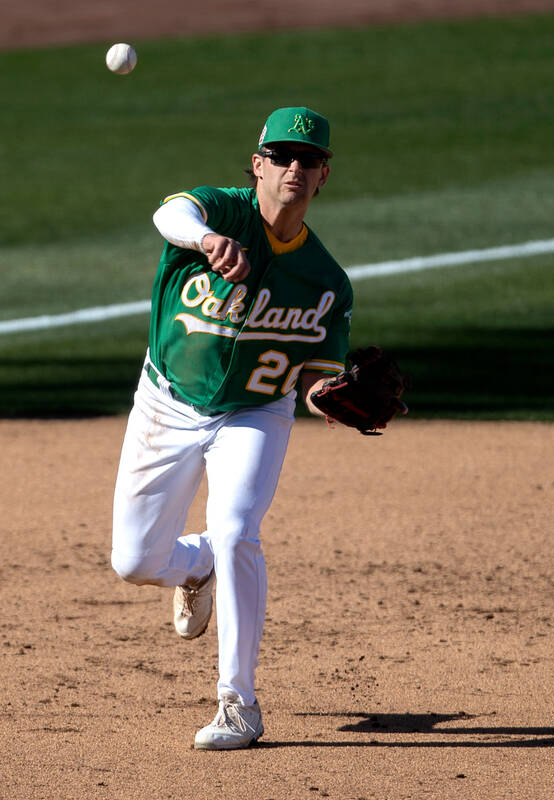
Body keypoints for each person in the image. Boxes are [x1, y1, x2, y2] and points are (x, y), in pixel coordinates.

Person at [110, 107, 351, 750]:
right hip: (166, 403)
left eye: (309, 159)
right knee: (133, 562)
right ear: (258, 164)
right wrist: (204, 240)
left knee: (239, 530)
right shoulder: (218, 212)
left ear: (324, 174)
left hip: (255, 412)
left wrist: (326, 395)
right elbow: (170, 214)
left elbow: (316, 377)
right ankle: (195, 567)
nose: (294, 168)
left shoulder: (326, 280)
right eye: (282, 156)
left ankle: (238, 703)